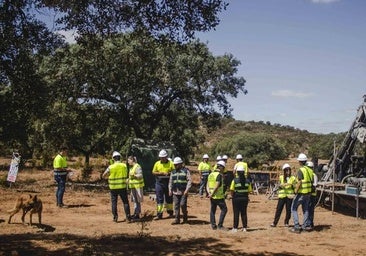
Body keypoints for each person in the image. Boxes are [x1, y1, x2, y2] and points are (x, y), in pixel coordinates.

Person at [102, 151, 131, 223]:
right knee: (125, 202)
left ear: (113, 159)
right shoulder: (124, 166)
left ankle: (115, 218)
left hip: (113, 188)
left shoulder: (110, 167)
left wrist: (108, 177)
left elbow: (103, 175)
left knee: (114, 203)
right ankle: (128, 218)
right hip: (122, 186)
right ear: (120, 158)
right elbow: (128, 174)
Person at [290, 153, 313, 233]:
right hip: (308, 193)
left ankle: (296, 227)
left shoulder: (301, 170)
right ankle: (304, 226)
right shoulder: (310, 170)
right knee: (306, 209)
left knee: (293, 208)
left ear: (300, 161)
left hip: (301, 193)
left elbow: (299, 183)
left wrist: (295, 191)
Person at [270, 163, 296, 227]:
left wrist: (292, 186)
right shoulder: (281, 177)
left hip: (289, 196)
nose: (288, 172)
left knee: (288, 210)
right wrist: (281, 185)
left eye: (289, 170)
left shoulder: (293, 178)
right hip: (282, 196)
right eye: (286, 170)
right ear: (284, 171)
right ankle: (274, 223)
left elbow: (295, 186)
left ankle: (286, 222)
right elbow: (278, 185)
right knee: (279, 209)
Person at [169, 157, 192, 225]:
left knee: (182, 205)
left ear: (180, 164)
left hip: (183, 192)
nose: (175, 166)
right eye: (174, 164)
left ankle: (185, 217)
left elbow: (189, 181)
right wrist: (170, 190)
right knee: (176, 205)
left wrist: (187, 190)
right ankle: (177, 219)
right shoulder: (173, 172)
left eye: (176, 164)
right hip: (175, 192)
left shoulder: (186, 171)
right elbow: (170, 181)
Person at [152, 149, 174, 220]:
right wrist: (161, 173)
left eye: (164, 157)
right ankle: (159, 214)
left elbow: (174, 171)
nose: (162, 158)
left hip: (168, 183)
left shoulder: (171, 163)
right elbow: (153, 172)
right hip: (159, 183)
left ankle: (170, 212)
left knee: (169, 198)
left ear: (166, 157)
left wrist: (169, 173)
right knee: (159, 199)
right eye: (161, 157)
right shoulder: (157, 163)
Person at [229, 166, 252, 232]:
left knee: (236, 213)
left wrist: (232, 196)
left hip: (236, 198)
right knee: (244, 213)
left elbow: (231, 190)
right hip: (245, 198)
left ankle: (235, 228)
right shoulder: (248, 181)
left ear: (237, 173)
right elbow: (249, 191)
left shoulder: (234, 180)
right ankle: (244, 227)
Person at [207, 160, 228, 230]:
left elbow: (207, 185)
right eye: (224, 168)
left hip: (212, 197)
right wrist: (212, 193)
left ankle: (213, 225)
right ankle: (220, 225)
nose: (224, 170)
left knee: (213, 210)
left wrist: (209, 193)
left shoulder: (211, 174)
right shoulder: (219, 175)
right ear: (221, 167)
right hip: (218, 196)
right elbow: (217, 186)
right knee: (224, 209)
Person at [127, 155, 144, 220]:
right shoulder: (131, 167)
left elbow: (140, 175)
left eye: (129, 160)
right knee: (135, 200)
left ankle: (137, 214)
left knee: (137, 200)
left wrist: (134, 175)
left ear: (132, 160)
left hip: (138, 186)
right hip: (133, 186)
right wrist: (128, 179)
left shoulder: (137, 166)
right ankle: (136, 213)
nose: (128, 162)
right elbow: (131, 177)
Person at [305, 161, 318, 229]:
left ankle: (309, 223)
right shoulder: (313, 175)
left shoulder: (313, 175)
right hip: (309, 195)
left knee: (309, 209)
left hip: (311, 195)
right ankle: (309, 223)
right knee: (309, 209)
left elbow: (314, 185)